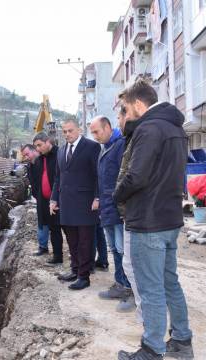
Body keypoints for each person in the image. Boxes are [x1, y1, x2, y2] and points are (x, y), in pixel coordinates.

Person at [113, 80, 193, 360]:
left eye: (126, 108)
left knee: (151, 290)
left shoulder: (148, 128)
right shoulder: (175, 128)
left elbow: (137, 176)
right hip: (169, 219)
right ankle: (182, 341)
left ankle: (151, 350)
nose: (126, 113)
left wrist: (116, 194)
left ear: (138, 104)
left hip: (148, 222)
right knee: (170, 283)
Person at [89, 115, 134, 312]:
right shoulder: (105, 148)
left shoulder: (120, 146)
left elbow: (124, 178)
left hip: (117, 208)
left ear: (107, 127)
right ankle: (119, 284)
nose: (95, 136)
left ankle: (129, 290)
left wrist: (118, 204)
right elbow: (102, 180)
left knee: (124, 251)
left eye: (97, 131)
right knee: (115, 250)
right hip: (107, 209)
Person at [50, 119, 101, 290]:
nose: (67, 134)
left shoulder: (92, 147)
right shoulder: (61, 151)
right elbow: (58, 178)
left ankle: (84, 277)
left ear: (79, 129)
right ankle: (75, 270)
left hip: (86, 203)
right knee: (72, 241)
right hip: (66, 204)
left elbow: (97, 175)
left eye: (70, 131)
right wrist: (53, 199)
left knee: (85, 242)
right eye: (64, 131)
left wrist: (97, 197)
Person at [116, 101, 145, 319]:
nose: (119, 121)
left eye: (120, 116)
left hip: (139, 214)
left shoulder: (142, 137)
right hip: (130, 212)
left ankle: (147, 315)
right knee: (132, 264)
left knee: (138, 267)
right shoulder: (131, 139)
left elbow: (133, 177)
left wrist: (116, 195)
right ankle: (145, 311)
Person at [32, 133, 64, 265]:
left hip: (60, 200)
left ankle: (80, 261)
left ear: (48, 142)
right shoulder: (40, 159)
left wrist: (56, 198)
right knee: (53, 229)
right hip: (45, 201)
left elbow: (60, 178)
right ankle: (58, 257)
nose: (37, 149)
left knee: (68, 230)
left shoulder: (59, 155)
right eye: (36, 146)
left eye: (39, 145)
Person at [21, 144, 51, 256]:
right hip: (40, 198)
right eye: (24, 155)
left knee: (55, 224)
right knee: (42, 222)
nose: (26, 157)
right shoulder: (30, 166)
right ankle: (43, 247)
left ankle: (59, 251)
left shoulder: (44, 161)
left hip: (50, 197)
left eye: (27, 154)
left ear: (34, 151)